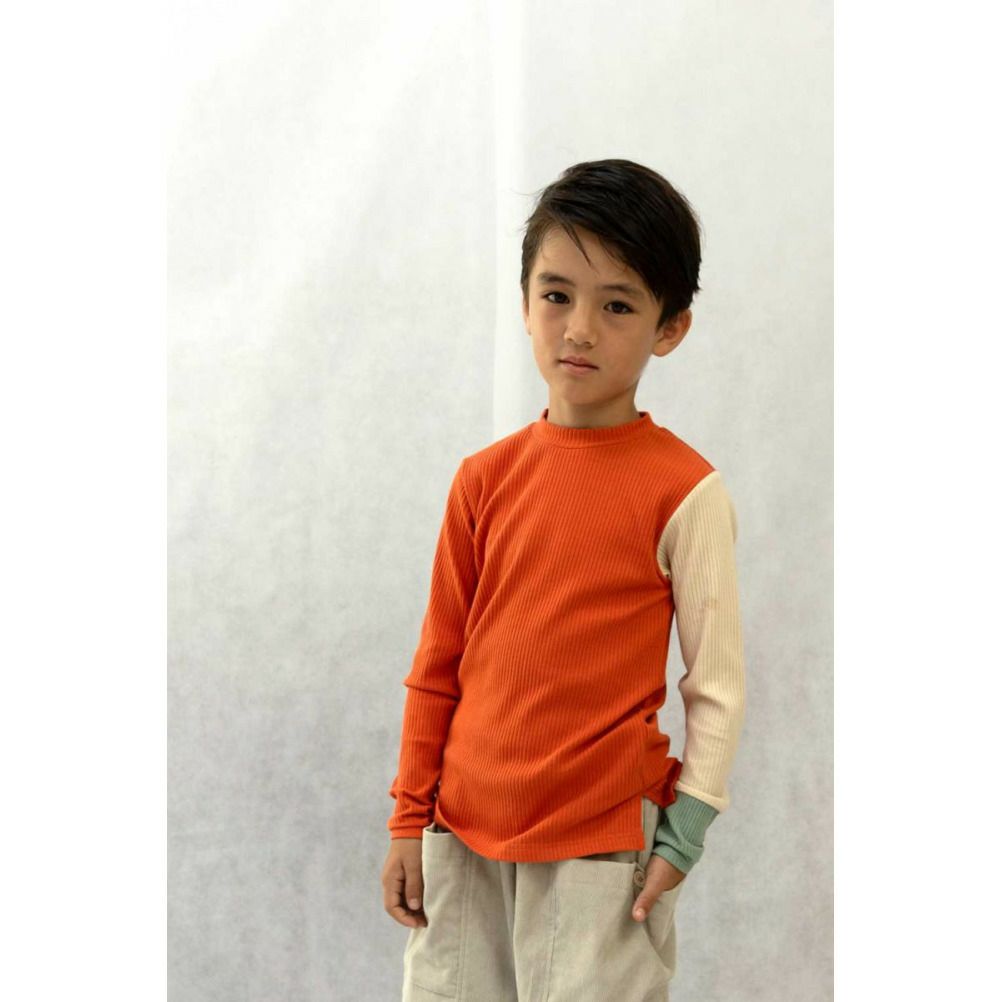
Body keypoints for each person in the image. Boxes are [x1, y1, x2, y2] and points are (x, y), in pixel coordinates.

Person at [381, 158, 746, 1001]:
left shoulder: (686, 491)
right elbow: (437, 668)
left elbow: (717, 685)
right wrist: (409, 819)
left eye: (617, 305)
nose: (579, 328)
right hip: (461, 837)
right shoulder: (483, 479)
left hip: (600, 851)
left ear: (670, 327)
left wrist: (685, 831)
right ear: (524, 304)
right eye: (556, 295)